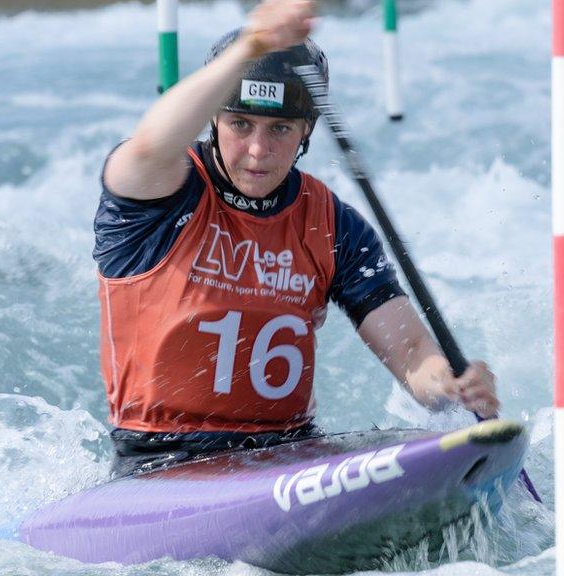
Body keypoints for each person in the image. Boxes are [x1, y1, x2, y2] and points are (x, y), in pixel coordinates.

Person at [93, 0, 498, 477]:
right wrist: (251, 46)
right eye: (240, 125)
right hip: (163, 462)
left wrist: (450, 385)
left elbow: (410, 350)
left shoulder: (335, 226)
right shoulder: (158, 192)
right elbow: (150, 142)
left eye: (280, 129)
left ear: (306, 131)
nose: (258, 150)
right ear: (213, 121)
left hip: (288, 458)